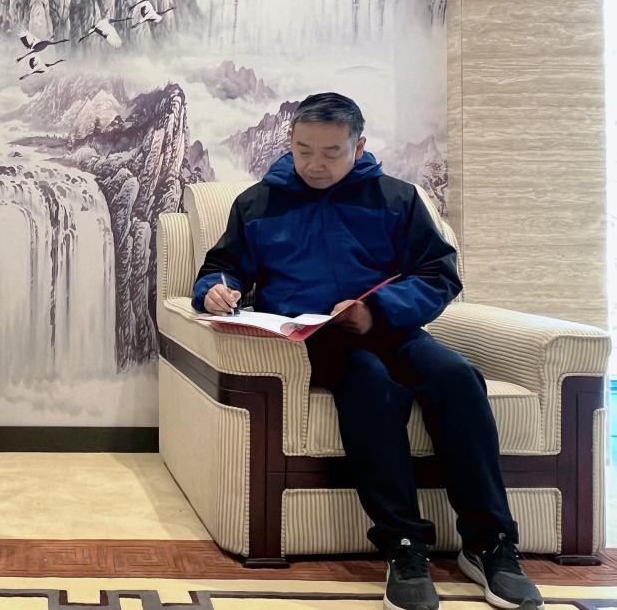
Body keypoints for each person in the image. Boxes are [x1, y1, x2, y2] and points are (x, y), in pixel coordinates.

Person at [193, 93, 543, 610]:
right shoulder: (258, 203)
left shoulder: (396, 199)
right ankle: (404, 546)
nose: (314, 163)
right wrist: (216, 290)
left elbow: (439, 275)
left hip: (392, 327)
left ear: (359, 146)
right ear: (290, 141)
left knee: (458, 377)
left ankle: (490, 543)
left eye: (331, 151)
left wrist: (376, 311)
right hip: (316, 341)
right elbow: (222, 267)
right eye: (303, 149)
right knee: (370, 385)